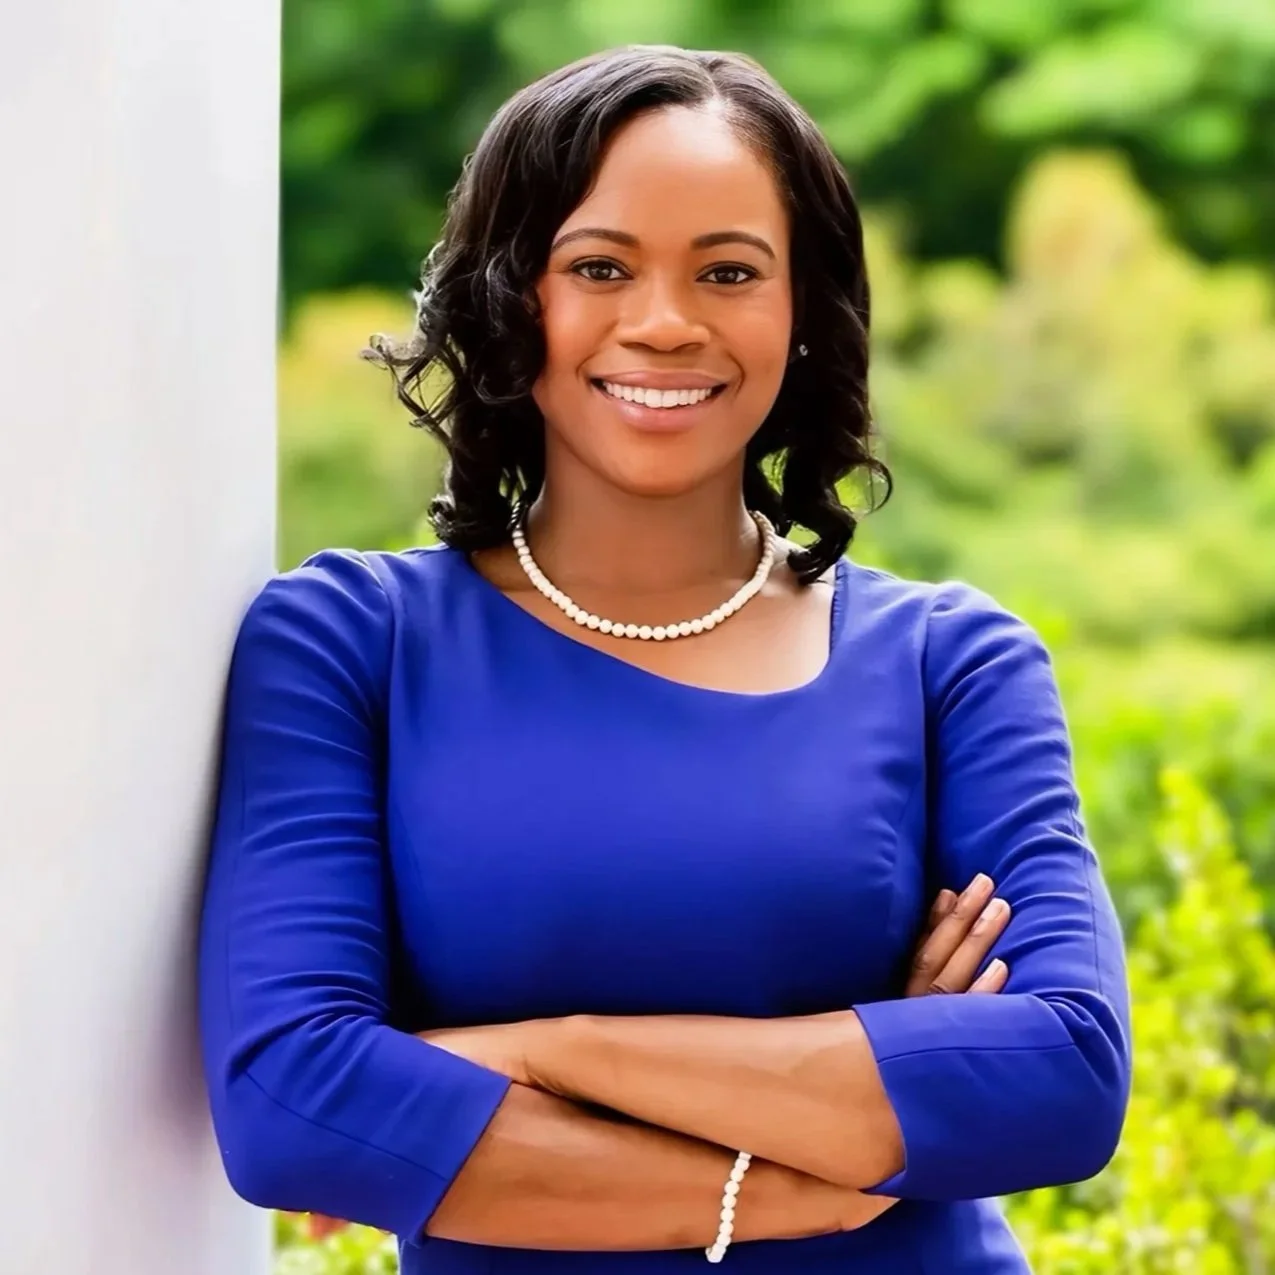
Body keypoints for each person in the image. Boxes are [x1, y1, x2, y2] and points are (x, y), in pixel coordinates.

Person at [197, 44, 1131, 1274]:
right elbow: (290, 1106)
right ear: (509, 299)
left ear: (803, 314)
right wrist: (819, 1159)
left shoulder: (950, 662)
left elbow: (1063, 1074)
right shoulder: (350, 645)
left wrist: (534, 1051)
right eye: (598, 267)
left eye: (730, 271)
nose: (664, 323)